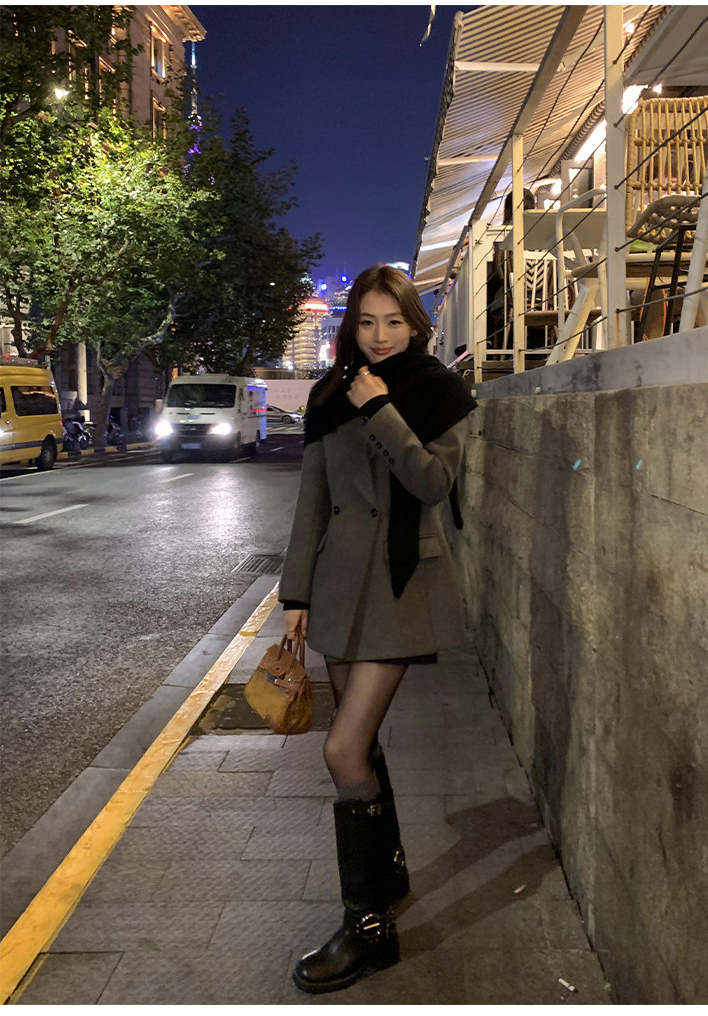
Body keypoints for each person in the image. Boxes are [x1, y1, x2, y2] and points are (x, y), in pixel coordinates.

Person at [279, 264, 476, 994]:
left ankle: (366, 927)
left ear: (415, 324)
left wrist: (384, 409)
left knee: (342, 747)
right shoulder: (329, 393)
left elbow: (434, 484)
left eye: (393, 321)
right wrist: (295, 593)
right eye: (366, 322)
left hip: (400, 585)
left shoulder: (440, 391)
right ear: (350, 327)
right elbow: (312, 500)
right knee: (358, 746)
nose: (380, 335)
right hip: (338, 587)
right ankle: (388, 877)